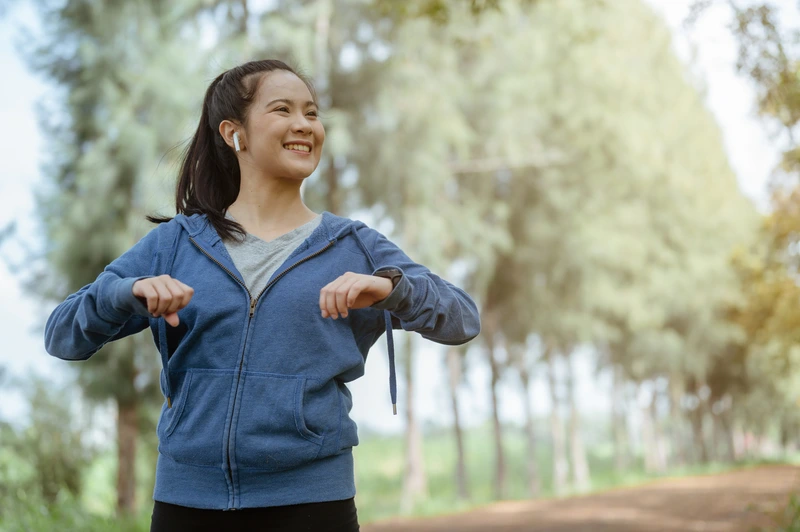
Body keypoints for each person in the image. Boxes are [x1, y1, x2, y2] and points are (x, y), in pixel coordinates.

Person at [44, 59, 481, 532]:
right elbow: (62, 336)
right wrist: (125, 293)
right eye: (283, 110)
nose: (304, 125)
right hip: (187, 505)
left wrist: (394, 290)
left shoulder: (353, 246)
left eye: (312, 114)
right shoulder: (177, 243)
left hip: (313, 506)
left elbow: (462, 319)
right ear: (236, 133)